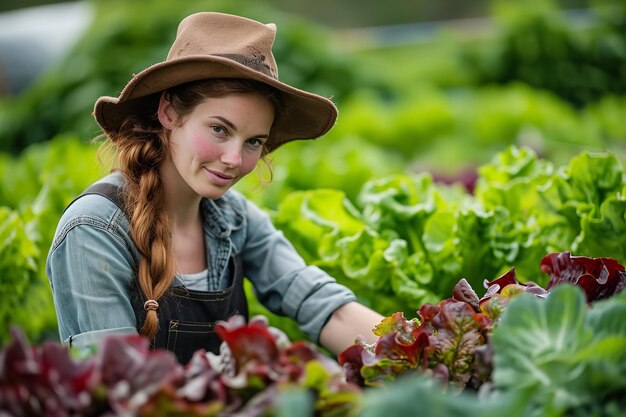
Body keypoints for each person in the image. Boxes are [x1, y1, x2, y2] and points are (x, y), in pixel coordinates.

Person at [46, 11, 383, 364]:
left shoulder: (233, 217)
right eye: (220, 129)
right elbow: (118, 384)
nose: (235, 159)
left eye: (254, 142)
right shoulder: (94, 229)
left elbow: (326, 307)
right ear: (169, 113)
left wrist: (418, 351)